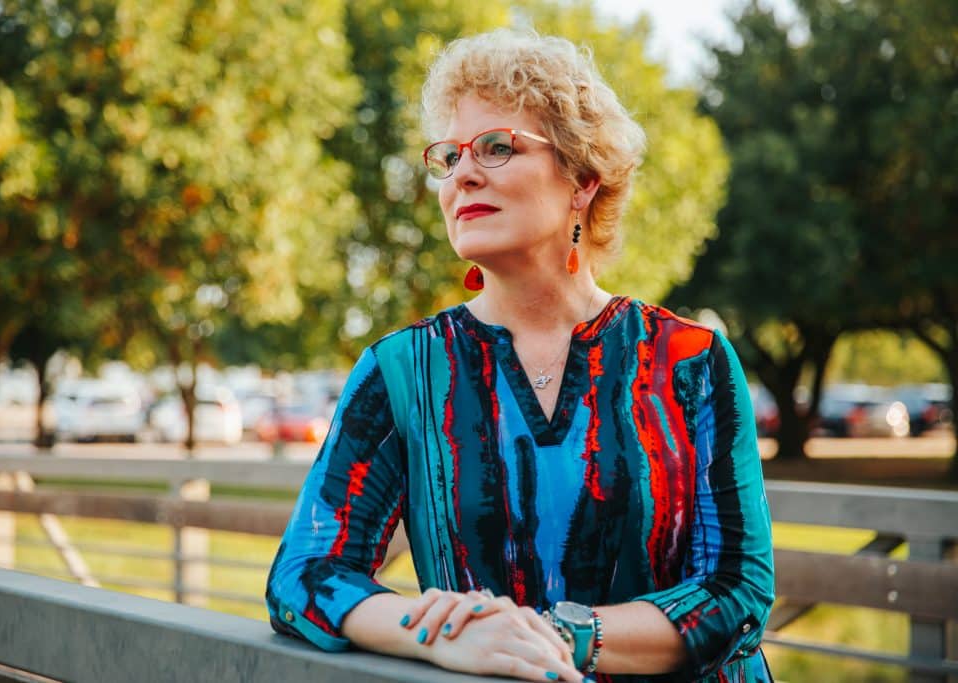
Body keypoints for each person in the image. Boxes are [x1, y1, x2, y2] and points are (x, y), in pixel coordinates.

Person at [265, 28, 775, 683]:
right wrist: (440, 636)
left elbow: (738, 588)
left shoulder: (689, 361)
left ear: (584, 180)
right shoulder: (404, 371)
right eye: (448, 157)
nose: (463, 173)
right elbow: (304, 573)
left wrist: (557, 636)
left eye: (498, 147)